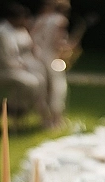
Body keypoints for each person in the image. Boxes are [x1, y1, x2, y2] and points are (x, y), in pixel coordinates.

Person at [0, 3, 49, 120]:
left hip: (13, 68)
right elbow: (4, 59)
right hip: (3, 71)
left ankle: (18, 107)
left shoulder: (14, 30)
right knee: (32, 83)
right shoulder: (2, 32)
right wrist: (21, 65)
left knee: (39, 79)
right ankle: (15, 108)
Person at [31, 0, 72, 129]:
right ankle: (56, 120)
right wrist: (70, 47)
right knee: (58, 88)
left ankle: (44, 119)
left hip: (38, 58)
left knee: (44, 90)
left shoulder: (41, 19)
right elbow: (57, 42)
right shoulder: (61, 21)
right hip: (53, 58)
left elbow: (32, 38)